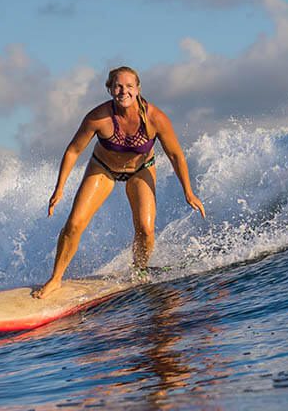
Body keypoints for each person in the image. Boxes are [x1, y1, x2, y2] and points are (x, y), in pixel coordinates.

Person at [32, 66, 205, 299]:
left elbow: (175, 155)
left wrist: (189, 192)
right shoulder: (98, 118)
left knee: (146, 229)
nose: (124, 91)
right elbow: (73, 151)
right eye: (118, 86)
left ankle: (139, 269)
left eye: (129, 86)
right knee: (74, 223)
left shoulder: (155, 118)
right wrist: (59, 188)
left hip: (140, 170)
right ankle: (55, 279)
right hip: (103, 169)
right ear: (110, 88)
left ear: (138, 89)